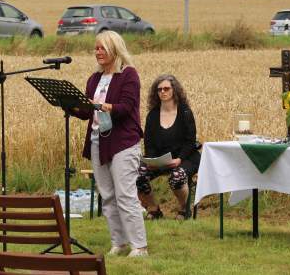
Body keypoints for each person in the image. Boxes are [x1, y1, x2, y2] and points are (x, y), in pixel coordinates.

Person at [71, 30, 148, 257]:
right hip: (98, 141)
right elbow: (86, 113)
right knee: (107, 195)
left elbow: (125, 108)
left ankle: (139, 246)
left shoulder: (129, 75)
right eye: (96, 48)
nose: (97, 52)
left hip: (123, 142)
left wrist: (101, 105)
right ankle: (119, 242)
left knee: (125, 194)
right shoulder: (94, 78)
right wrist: (73, 106)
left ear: (115, 49)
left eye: (102, 48)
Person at [136, 74, 200, 221]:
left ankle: (184, 209)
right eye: (159, 90)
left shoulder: (185, 112)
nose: (163, 92)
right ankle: (154, 209)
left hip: (186, 157)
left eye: (166, 88)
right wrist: (152, 161)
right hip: (161, 159)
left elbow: (190, 141)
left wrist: (179, 159)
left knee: (176, 176)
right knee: (137, 174)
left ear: (174, 90)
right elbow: (149, 143)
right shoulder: (152, 115)